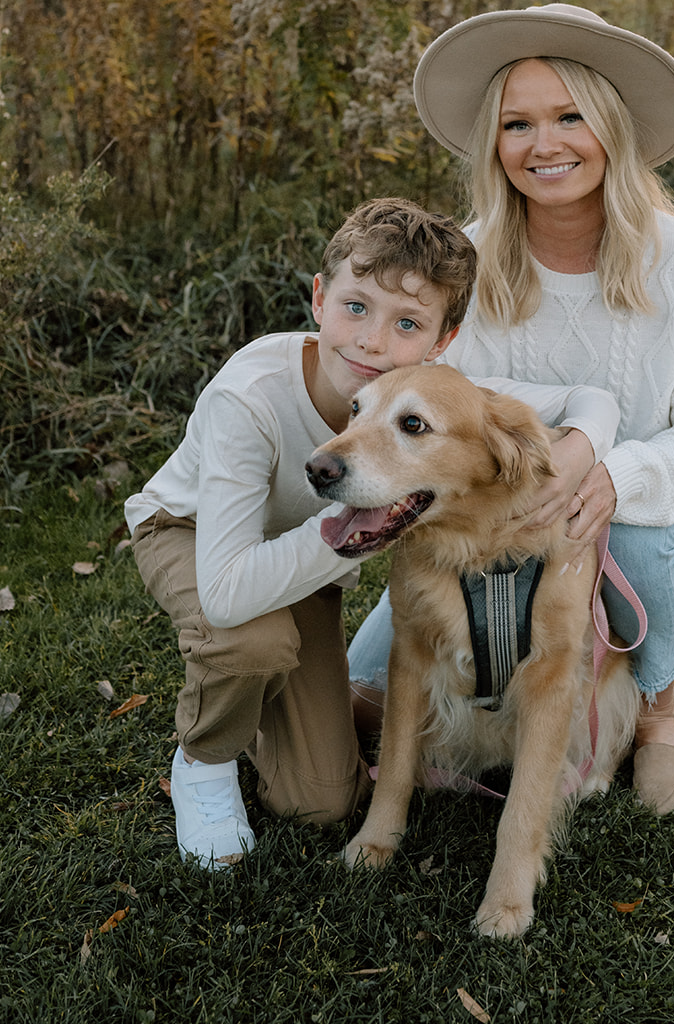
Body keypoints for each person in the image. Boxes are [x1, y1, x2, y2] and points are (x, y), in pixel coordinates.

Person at [124, 196, 619, 868]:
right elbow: (226, 594)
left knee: (321, 800)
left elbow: (593, 400)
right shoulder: (248, 399)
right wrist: (354, 528)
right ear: (319, 298)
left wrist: (577, 454)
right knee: (252, 639)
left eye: (406, 323)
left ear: (441, 341)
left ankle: (283, 712)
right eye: (355, 307)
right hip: (195, 538)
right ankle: (203, 756)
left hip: (301, 555)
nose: (372, 342)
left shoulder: (423, 389)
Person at [349, 7, 674, 816]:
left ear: (610, 128)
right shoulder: (465, 256)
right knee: (366, 678)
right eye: (517, 123)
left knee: (626, 529)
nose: (544, 144)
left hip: (642, 493)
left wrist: (614, 473)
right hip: (503, 495)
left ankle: (658, 712)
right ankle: (444, 717)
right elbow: (432, 415)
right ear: (495, 142)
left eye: (569, 117)